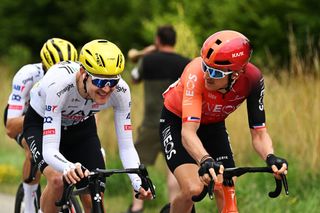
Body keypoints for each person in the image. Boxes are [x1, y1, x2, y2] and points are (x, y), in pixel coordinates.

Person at [158, 30, 288, 213]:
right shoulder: (196, 74)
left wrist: (271, 157)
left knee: (227, 185)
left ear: (236, 74)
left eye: (215, 72)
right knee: (193, 189)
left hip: (213, 126)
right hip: (177, 121)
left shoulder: (252, 80)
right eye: (206, 67)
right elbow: (188, 133)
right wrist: (205, 160)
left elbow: (259, 133)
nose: (208, 75)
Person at [23, 39, 153, 213]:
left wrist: (138, 182)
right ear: (83, 73)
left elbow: (127, 147)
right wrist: (67, 166)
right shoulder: (59, 86)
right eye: (99, 82)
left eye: (112, 82)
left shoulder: (121, 91)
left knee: (95, 190)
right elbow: (49, 149)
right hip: (40, 124)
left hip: (80, 126)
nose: (106, 90)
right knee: (57, 180)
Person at [5, 38, 78, 213]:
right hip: (25, 120)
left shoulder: (78, 76)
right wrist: (44, 114)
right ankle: (30, 207)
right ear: (45, 66)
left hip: (58, 119)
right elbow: (11, 127)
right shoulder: (27, 75)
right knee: (33, 151)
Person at [127, 25, 190, 213]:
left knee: (139, 165)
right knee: (174, 168)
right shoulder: (184, 63)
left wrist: (145, 53)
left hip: (151, 123)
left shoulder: (148, 61)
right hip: (175, 123)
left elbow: (134, 78)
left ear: (157, 40)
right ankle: (173, 206)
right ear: (174, 41)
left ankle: (137, 206)